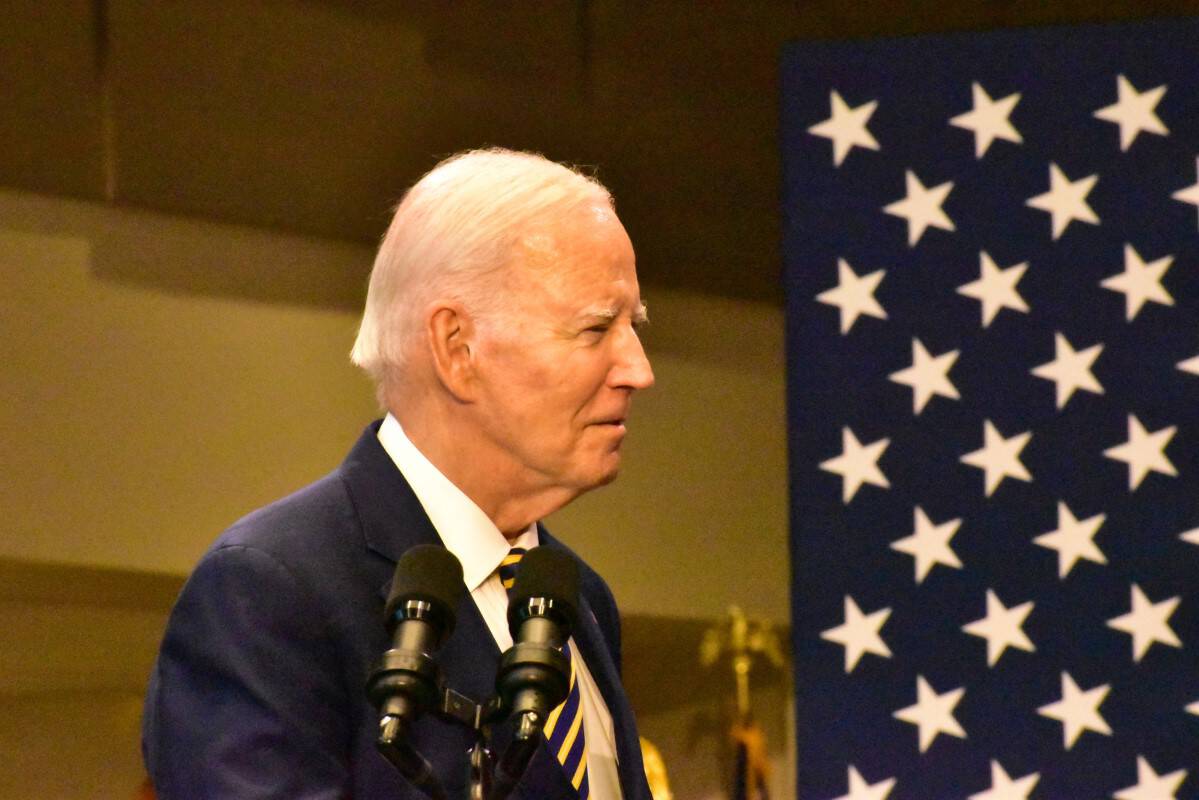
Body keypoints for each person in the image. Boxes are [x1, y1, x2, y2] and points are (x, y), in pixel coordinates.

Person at [142, 148, 656, 799]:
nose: (638, 370)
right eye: (595, 327)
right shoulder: (270, 593)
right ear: (455, 348)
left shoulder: (581, 602)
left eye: (633, 326)